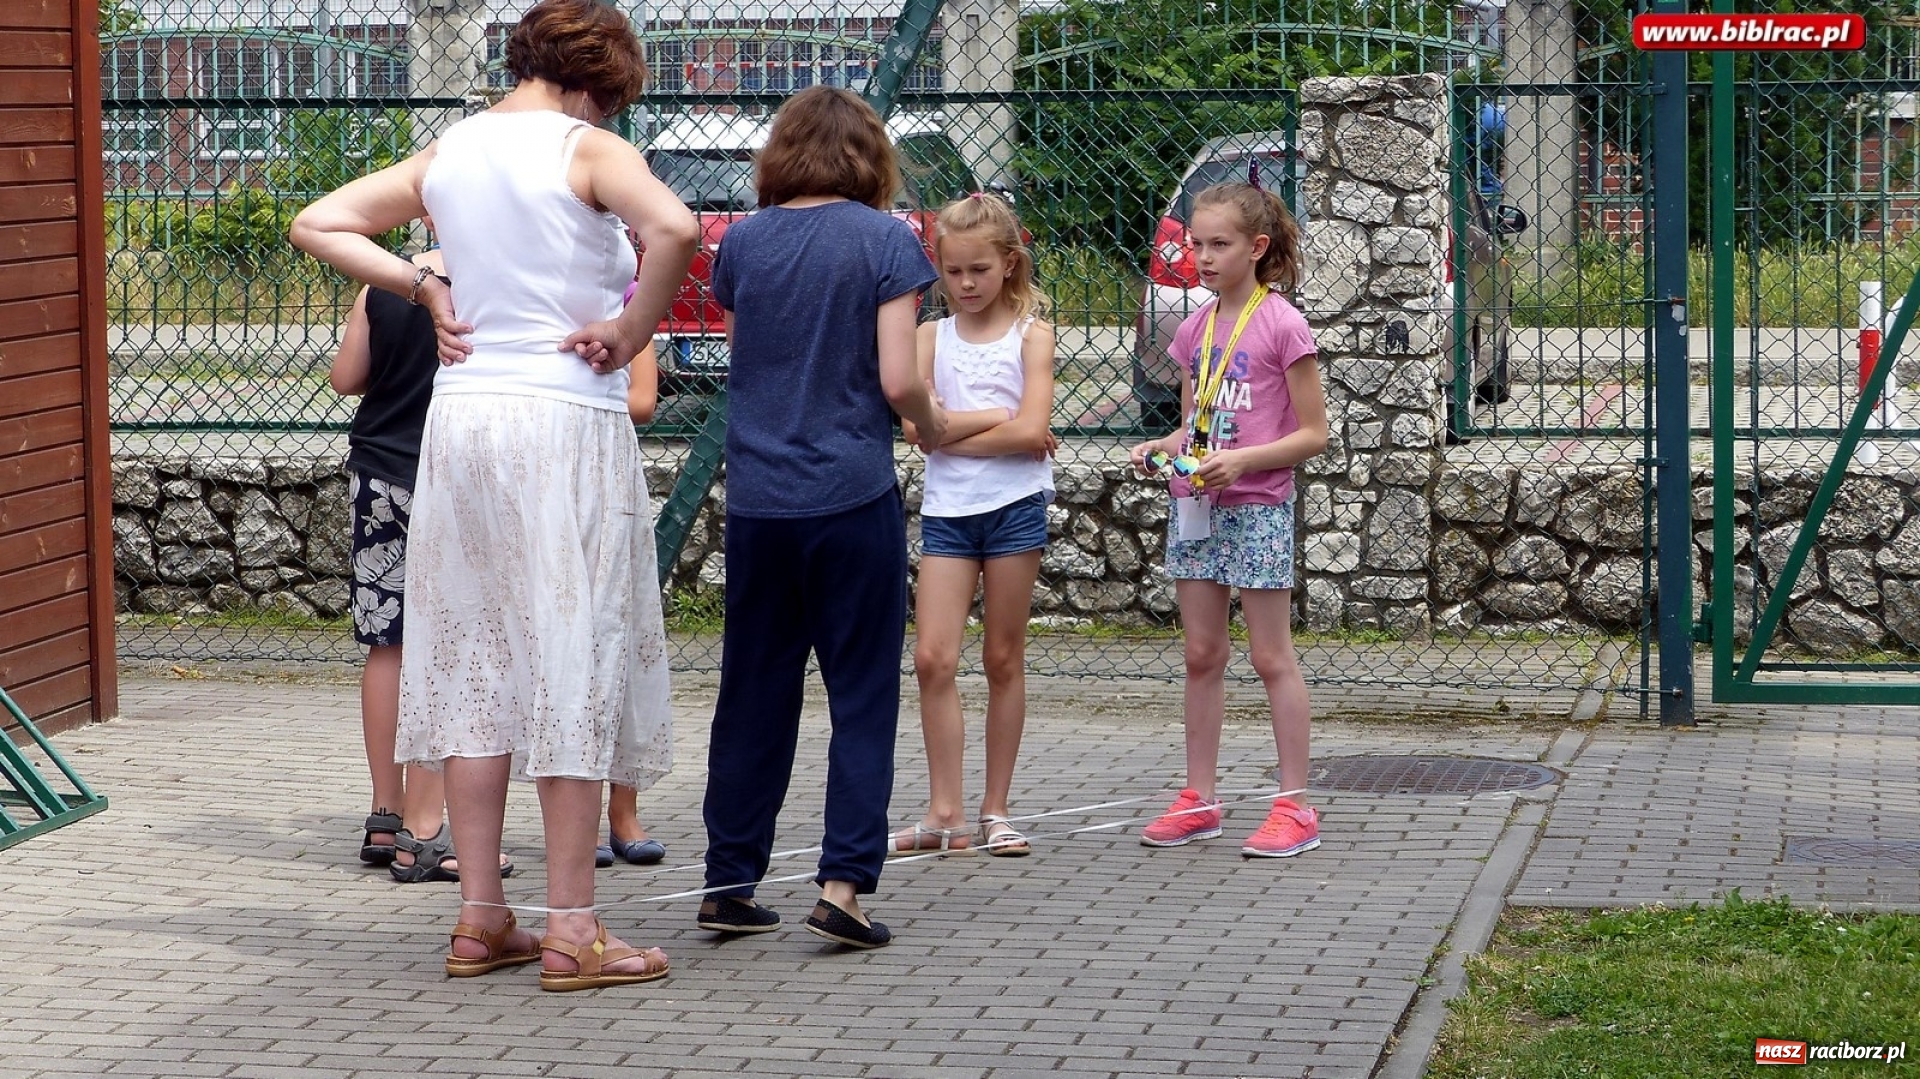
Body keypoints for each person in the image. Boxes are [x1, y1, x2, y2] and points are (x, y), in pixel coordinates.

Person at [290, 0, 699, 990]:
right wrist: (632, 326)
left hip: (463, 426)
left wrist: (419, 285)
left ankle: (480, 917)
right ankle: (574, 928)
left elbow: (319, 220)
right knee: (569, 654)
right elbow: (679, 226)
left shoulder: (454, 152)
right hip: (562, 422)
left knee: (473, 659)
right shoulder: (585, 149)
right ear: (598, 78)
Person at [695, 85, 947, 950]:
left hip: (759, 499)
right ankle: (844, 883)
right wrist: (934, 424)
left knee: (753, 690)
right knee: (863, 694)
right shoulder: (888, 240)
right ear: (870, 157)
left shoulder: (742, 242)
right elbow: (896, 377)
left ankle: (728, 877)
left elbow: (751, 358)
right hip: (849, 493)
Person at [1126, 180, 1328, 859]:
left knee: (1271, 655)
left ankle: (1296, 804)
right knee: (1201, 653)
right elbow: (1193, 426)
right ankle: (1200, 796)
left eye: (1219, 245)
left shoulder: (1282, 324)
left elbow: (1313, 434)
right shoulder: (1194, 328)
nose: (1203, 258)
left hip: (1260, 507)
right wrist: (1162, 449)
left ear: (1257, 247)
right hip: (1198, 507)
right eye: (1194, 245)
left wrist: (1243, 463)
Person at [894, 192, 1054, 860]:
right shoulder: (930, 337)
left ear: (1009, 264)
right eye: (953, 271)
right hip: (950, 514)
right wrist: (996, 419)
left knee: (1000, 657)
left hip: (1014, 511)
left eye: (979, 271)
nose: (964, 284)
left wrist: (955, 429)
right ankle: (944, 811)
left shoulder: (1032, 335)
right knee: (932, 656)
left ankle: (995, 809)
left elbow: (1034, 430)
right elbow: (914, 429)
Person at [596, 342, 668, 871]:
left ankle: (624, 812)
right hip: (547, 472)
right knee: (563, 650)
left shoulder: (628, 315)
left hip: (612, 481)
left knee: (622, 642)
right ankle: (568, 815)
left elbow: (643, 399)